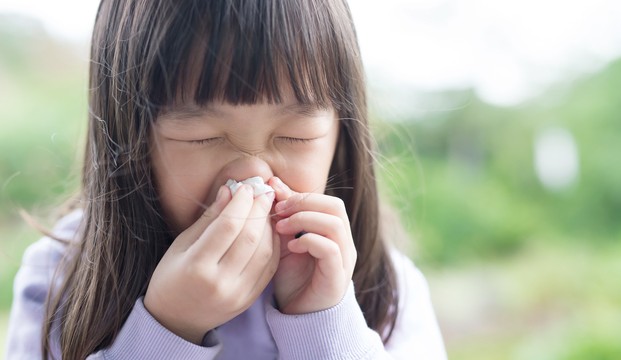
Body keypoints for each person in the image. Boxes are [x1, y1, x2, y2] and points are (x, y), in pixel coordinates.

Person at [6, 0, 448, 359]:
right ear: (131, 140)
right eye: (203, 137)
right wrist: (167, 329)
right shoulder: (59, 276)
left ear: (341, 136)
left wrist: (324, 324)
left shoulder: (389, 289)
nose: (254, 174)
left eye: (296, 135)